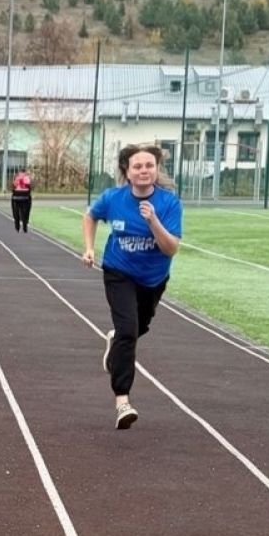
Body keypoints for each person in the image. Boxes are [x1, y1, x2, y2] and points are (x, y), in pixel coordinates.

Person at [80, 143, 182, 430]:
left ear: (157, 169)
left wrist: (153, 221)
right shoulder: (113, 198)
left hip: (153, 279)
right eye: (137, 166)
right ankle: (122, 401)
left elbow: (171, 248)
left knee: (138, 329)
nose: (143, 171)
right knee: (128, 331)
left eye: (149, 165)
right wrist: (89, 248)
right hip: (119, 272)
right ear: (127, 171)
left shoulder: (169, 203)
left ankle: (116, 343)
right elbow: (90, 216)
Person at [10, 168, 33, 232]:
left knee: (15, 211)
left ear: (19, 172)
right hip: (25, 197)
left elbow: (13, 187)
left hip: (16, 197)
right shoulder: (27, 177)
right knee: (26, 211)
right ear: (25, 172)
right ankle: (25, 225)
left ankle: (17, 226)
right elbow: (29, 187)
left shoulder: (16, 177)